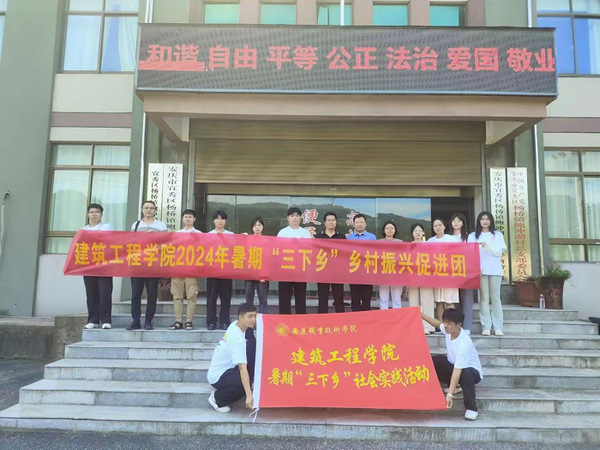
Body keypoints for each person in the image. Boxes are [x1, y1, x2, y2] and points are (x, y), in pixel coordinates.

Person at [421, 308, 483, 421]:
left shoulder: (463, 343)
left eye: (449, 323)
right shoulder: (449, 330)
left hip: (471, 373)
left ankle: (472, 408)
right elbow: (437, 324)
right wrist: (422, 315)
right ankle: (453, 386)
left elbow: (457, 370)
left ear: (459, 325)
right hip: (455, 366)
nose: (445, 326)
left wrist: (449, 394)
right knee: (436, 360)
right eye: (445, 322)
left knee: (466, 373)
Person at [207, 303, 257, 413]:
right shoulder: (237, 340)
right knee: (243, 385)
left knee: (252, 345)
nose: (253, 319)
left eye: (255, 316)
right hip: (218, 376)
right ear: (240, 317)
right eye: (250, 317)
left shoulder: (236, 324)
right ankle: (217, 399)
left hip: (229, 368)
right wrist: (249, 394)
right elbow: (242, 368)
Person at [128, 200, 168, 331]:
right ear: (142, 210)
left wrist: (155, 237)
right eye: (146, 208)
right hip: (137, 263)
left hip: (153, 264)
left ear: (155, 210)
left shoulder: (160, 225)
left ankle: (148, 321)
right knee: (136, 294)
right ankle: (135, 321)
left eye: (151, 208)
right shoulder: (136, 225)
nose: (149, 210)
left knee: (152, 293)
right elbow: (130, 241)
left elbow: (167, 243)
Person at [468, 211, 507, 336]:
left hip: (495, 270)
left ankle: (498, 327)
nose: (485, 221)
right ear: (479, 221)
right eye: (482, 219)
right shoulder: (473, 236)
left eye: (487, 219)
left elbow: (498, 252)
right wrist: (475, 268)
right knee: (484, 299)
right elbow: (469, 253)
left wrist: (487, 247)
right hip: (481, 271)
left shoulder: (498, 235)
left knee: (495, 298)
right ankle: (486, 326)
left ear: (491, 221)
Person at [81, 203, 114, 330]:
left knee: (105, 293)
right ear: (88, 214)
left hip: (104, 265)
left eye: (97, 212)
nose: (94, 214)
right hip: (89, 266)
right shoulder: (83, 229)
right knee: (91, 294)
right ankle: (93, 320)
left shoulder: (106, 227)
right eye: (91, 212)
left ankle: (106, 320)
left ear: (101, 214)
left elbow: (104, 240)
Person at [169, 209, 201, 331]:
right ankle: (178, 321)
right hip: (178, 268)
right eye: (186, 217)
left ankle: (189, 321)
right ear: (182, 219)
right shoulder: (176, 234)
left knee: (192, 295)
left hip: (192, 269)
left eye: (190, 217)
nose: (188, 219)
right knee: (177, 295)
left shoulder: (199, 234)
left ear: (194, 219)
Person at [277, 207, 312, 314]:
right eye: (292, 216)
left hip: (300, 271)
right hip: (285, 271)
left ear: (300, 218)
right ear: (288, 218)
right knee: (284, 298)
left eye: (297, 216)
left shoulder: (305, 233)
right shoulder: (282, 233)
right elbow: (277, 251)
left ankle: (300, 321)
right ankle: (284, 320)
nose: (294, 218)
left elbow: (310, 251)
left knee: (300, 298)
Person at [206, 210, 235, 330]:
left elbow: (235, 249)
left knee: (226, 297)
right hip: (212, 270)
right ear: (213, 221)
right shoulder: (208, 235)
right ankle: (211, 321)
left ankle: (224, 321)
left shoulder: (231, 235)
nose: (220, 221)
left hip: (226, 271)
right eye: (217, 219)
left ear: (225, 221)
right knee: (211, 297)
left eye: (222, 219)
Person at [314, 212, 346, 313]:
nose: (331, 222)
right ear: (325, 222)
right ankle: (322, 320)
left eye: (333, 220)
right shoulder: (317, 237)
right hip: (323, 272)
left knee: (339, 298)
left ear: (336, 222)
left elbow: (345, 254)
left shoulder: (342, 237)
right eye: (329, 220)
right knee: (323, 298)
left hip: (338, 273)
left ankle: (340, 319)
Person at [428, 218, 459, 321]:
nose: (438, 227)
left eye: (440, 225)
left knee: (449, 301)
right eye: (435, 226)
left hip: (449, 274)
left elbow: (458, 255)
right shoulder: (430, 241)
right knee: (439, 301)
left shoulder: (451, 239)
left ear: (444, 226)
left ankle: (452, 324)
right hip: (436, 275)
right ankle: (441, 325)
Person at [407, 223, 435, 334]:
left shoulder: (429, 245)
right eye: (415, 231)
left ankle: (428, 327)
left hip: (426, 275)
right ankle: (415, 326)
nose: (418, 233)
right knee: (413, 301)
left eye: (420, 230)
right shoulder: (409, 246)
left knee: (427, 300)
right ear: (412, 233)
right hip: (412, 276)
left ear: (423, 232)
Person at [449, 213, 474, 333]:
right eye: (454, 221)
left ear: (463, 223)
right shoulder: (448, 237)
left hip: (466, 271)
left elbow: (473, 253)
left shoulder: (469, 237)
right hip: (451, 272)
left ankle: (467, 327)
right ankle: (456, 326)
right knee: (454, 300)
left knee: (467, 299)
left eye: (459, 221)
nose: (456, 223)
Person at [347, 213, 377, 312]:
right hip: (354, 272)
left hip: (367, 272)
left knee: (366, 299)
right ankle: (355, 319)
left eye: (361, 222)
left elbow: (376, 253)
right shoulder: (349, 238)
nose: (359, 224)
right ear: (353, 224)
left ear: (365, 224)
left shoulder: (372, 237)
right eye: (357, 222)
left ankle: (366, 319)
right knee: (355, 298)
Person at [244, 217, 269, 314]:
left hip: (263, 273)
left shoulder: (267, 241)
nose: (257, 227)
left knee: (263, 298)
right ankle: (249, 318)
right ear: (252, 228)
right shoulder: (247, 239)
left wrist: (264, 274)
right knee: (249, 297)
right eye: (255, 225)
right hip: (250, 272)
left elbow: (269, 259)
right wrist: (242, 238)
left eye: (259, 225)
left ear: (263, 226)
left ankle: (262, 319)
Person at [378, 221, 403, 310]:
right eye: (387, 228)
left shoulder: (400, 242)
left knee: (397, 297)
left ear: (395, 230)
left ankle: (397, 316)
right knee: (383, 297)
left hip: (396, 273)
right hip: (383, 272)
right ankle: (384, 315)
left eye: (392, 228)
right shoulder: (378, 242)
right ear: (384, 230)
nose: (389, 230)